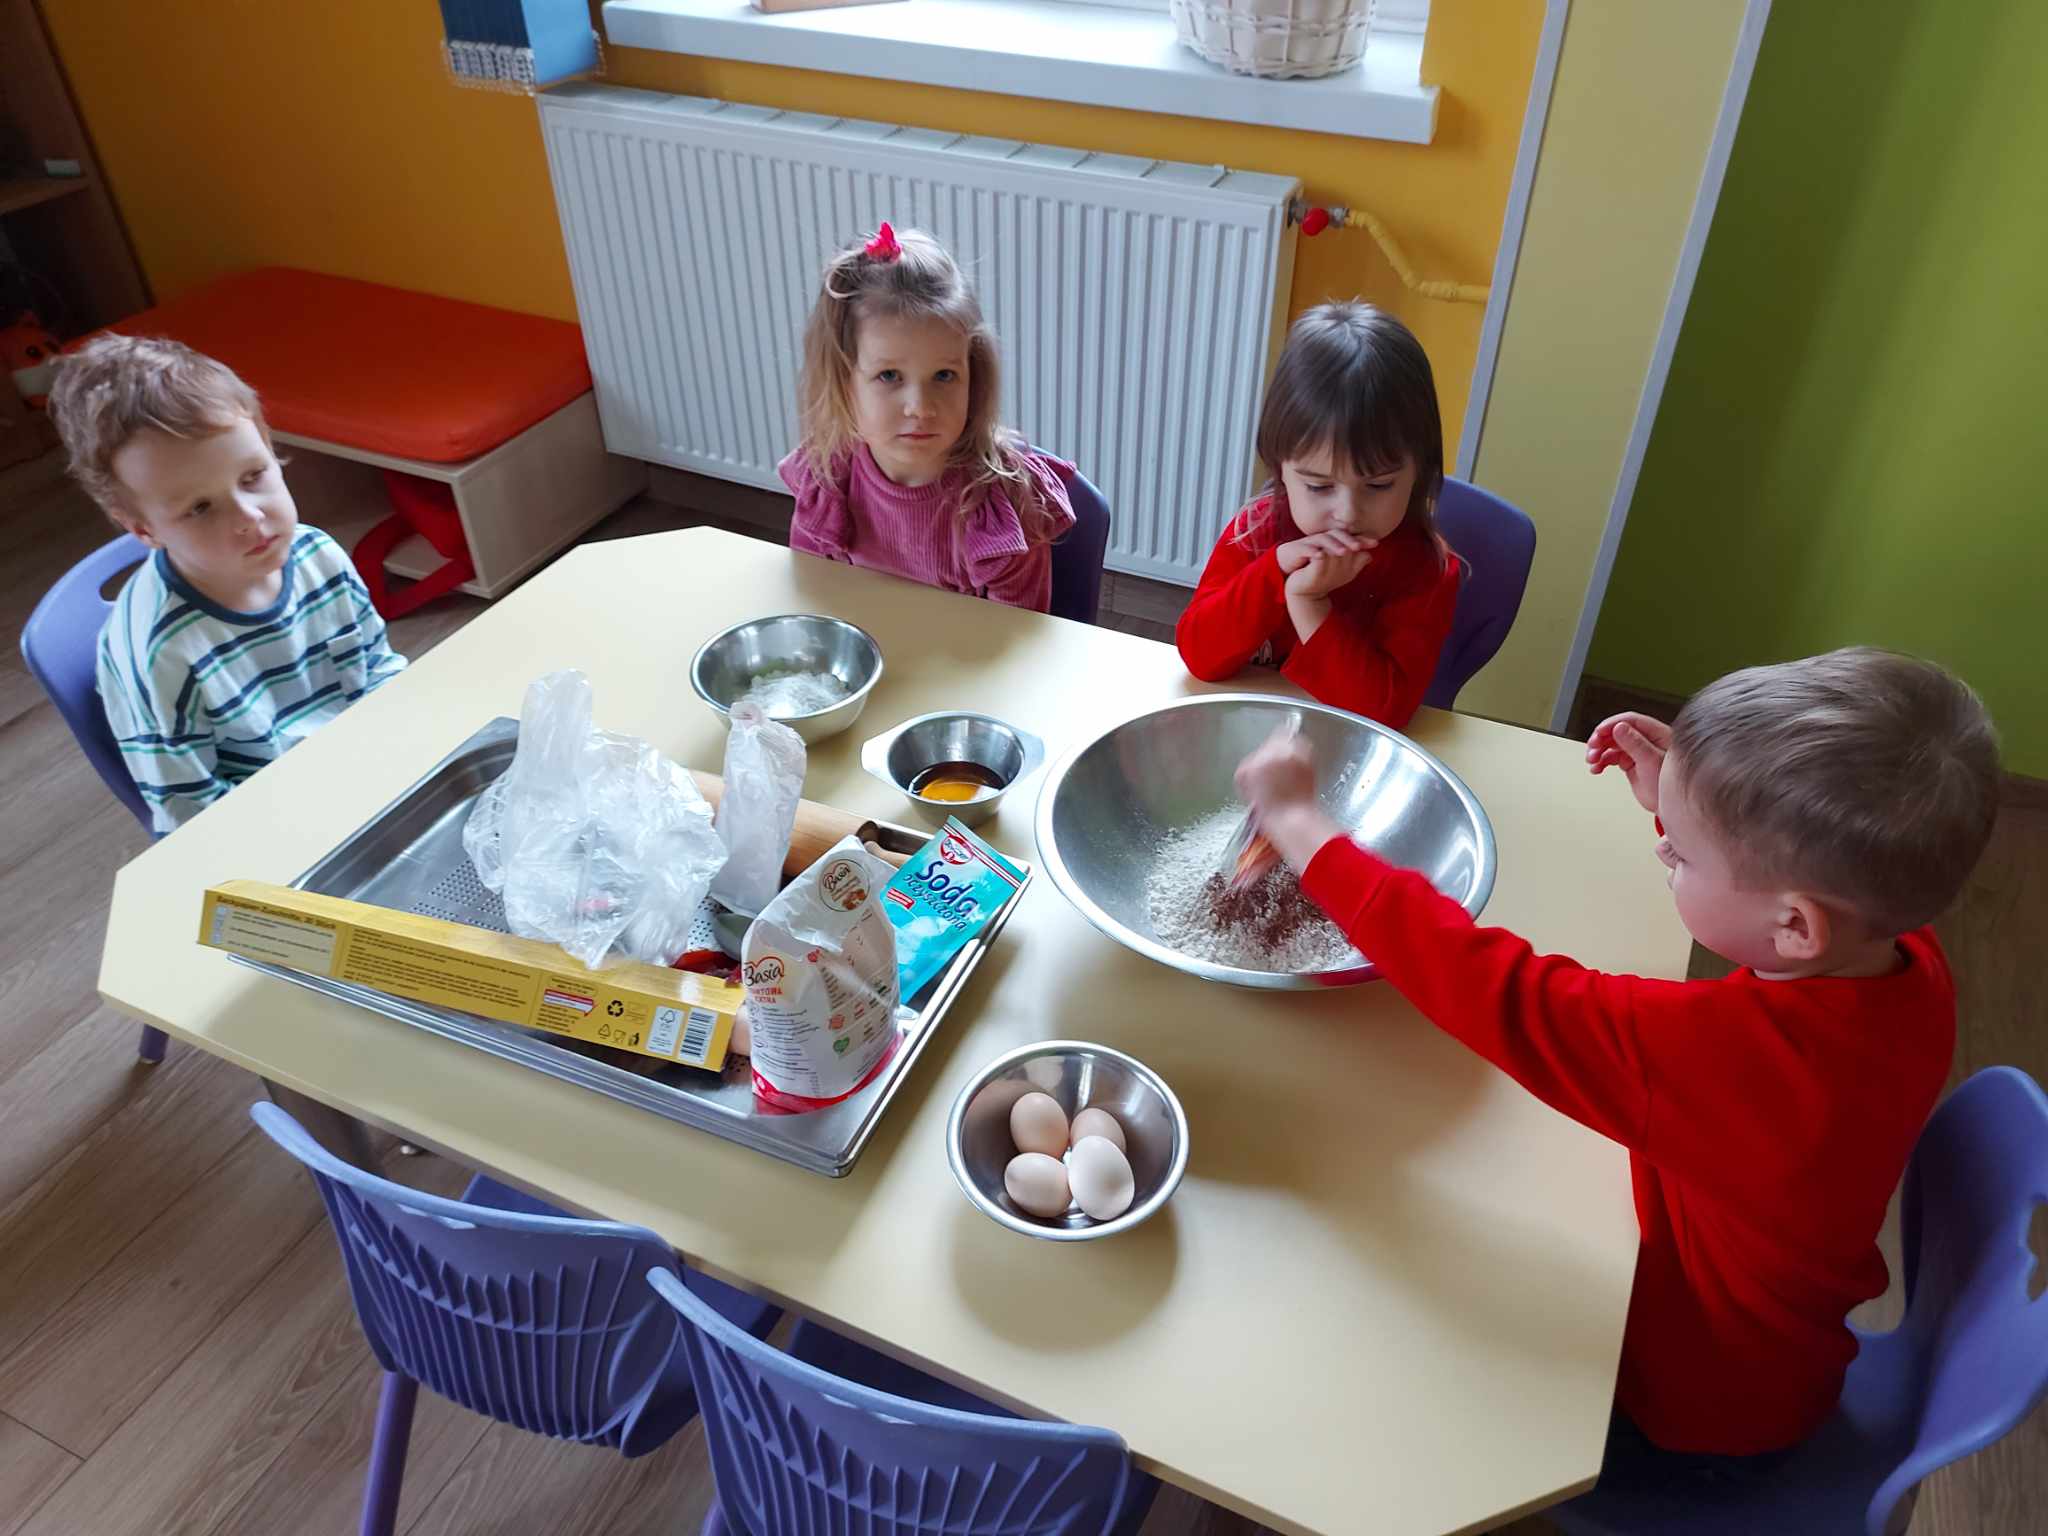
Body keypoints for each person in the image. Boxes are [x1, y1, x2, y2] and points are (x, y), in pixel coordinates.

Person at [1232, 647, 2000, 1457]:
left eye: (1683, 854)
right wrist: (1691, 802)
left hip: (1696, 1398)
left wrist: (1299, 824)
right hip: (1782, 1359)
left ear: (1796, 927)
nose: (1665, 852)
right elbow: (1780, 900)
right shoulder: (1907, 958)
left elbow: (1497, 991)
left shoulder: (1724, 1057)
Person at [50, 334, 406, 832]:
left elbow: (379, 673)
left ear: (269, 449)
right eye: (200, 507)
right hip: (270, 825)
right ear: (144, 531)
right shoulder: (165, 653)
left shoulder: (316, 554)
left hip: (364, 775)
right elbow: (193, 819)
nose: (249, 517)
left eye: (252, 475)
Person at [1175, 302, 1462, 729]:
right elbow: (1199, 656)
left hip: (1348, 747)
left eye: (1379, 485)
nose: (1347, 513)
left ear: (1420, 472)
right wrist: (1274, 573)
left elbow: (1386, 713)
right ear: (1280, 470)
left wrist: (1308, 603)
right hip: (1250, 734)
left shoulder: (1425, 570)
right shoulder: (1257, 532)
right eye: (1318, 486)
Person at [780, 222, 1074, 611]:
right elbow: (814, 604)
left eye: (944, 376)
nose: (920, 407)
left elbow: (1013, 640)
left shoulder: (1000, 510)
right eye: (889, 376)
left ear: (974, 377)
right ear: (844, 380)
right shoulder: (828, 481)